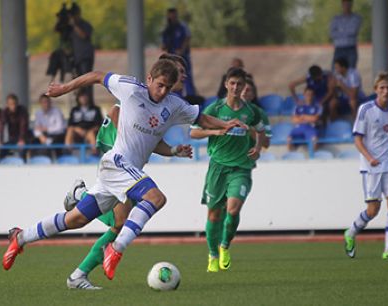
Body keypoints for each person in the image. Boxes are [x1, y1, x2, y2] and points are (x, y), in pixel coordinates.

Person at [2, 59, 246, 283]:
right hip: (116, 162)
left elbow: (201, 118)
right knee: (156, 198)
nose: (162, 92)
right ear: (149, 78)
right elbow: (97, 75)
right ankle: (116, 249)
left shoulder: (173, 105)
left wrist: (224, 125)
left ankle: (20, 237)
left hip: (124, 172)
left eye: (168, 88)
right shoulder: (130, 88)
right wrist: (64, 89)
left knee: (75, 219)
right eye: (160, 85)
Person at [62, 53, 191, 290]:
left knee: (119, 224)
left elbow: (153, 141)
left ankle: (78, 275)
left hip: (128, 165)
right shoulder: (139, 94)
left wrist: (173, 150)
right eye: (180, 70)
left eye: (182, 73)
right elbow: (116, 114)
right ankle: (80, 197)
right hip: (116, 159)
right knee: (121, 221)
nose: (183, 75)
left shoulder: (165, 105)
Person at [190, 67, 265, 272]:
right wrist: (218, 130)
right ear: (226, 84)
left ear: (244, 86)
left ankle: (225, 246)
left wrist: (257, 147)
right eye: (232, 83)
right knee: (214, 215)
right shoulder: (214, 109)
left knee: (233, 209)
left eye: (239, 84)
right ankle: (213, 254)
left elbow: (261, 132)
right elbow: (194, 133)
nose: (235, 87)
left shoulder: (251, 111)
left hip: (241, 167)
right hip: (218, 167)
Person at [343, 72, 388, 259]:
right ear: (375, 90)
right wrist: (369, 157)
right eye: (382, 88)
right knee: (373, 210)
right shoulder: (366, 109)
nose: (385, 91)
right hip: (371, 166)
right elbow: (357, 139)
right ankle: (351, 233)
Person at [161, 7, 196, 96]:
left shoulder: (182, 26)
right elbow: (164, 44)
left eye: (174, 15)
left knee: (186, 76)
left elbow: (187, 38)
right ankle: (176, 95)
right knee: (174, 76)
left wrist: (181, 50)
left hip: (183, 57)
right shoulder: (167, 29)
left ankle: (191, 96)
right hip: (172, 58)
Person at [69, 3, 95, 102]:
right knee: (77, 82)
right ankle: (79, 103)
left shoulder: (85, 25)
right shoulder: (70, 27)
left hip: (85, 57)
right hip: (76, 58)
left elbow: (84, 36)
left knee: (87, 81)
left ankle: (89, 103)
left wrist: (74, 25)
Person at [65, 90, 103, 155]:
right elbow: (70, 124)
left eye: (85, 96)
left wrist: (90, 130)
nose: (84, 98)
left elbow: (99, 124)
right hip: (77, 133)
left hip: (91, 132)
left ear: (89, 98)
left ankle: (95, 153)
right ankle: (67, 151)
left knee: (91, 133)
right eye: (81, 97)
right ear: (78, 98)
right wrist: (77, 129)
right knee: (70, 130)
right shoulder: (74, 110)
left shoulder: (96, 109)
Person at [330, 0, 362, 69]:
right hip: (339, 49)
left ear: (351, 5)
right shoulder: (336, 19)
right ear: (342, 5)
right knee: (335, 71)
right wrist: (346, 32)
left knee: (351, 71)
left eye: (348, 4)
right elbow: (332, 33)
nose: (346, 6)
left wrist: (340, 31)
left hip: (350, 48)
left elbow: (353, 31)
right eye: (345, 4)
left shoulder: (356, 18)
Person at [287, 87, 322, 151]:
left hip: (310, 128)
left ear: (313, 95)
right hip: (299, 128)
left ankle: (312, 157)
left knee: (314, 139)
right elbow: (294, 120)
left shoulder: (317, 106)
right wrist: (309, 118)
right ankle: (291, 156)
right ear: (304, 95)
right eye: (307, 94)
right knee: (289, 139)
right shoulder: (298, 106)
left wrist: (302, 116)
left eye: (311, 94)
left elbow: (315, 119)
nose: (309, 96)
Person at [0, 94, 31, 158]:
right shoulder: (5, 112)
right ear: (7, 105)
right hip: (12, 138)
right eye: (11, 104)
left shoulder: (22, 111)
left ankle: (23, 165)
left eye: (14, 103)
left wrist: (21, 139)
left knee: (22, 151)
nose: (13, 106)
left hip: (24, 137)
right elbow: (1, 126)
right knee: (2, 152)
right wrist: (0, 140)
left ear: (17, 103)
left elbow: (23, 126)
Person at [241, 78, 270, 148]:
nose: (244, 92)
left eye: (248, 90)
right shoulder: (222, 110)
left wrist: (250, 130)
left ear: (253, 95)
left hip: (248, 156)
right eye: (241, 89)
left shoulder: (260, 113)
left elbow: (266, 144)